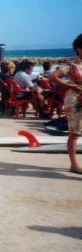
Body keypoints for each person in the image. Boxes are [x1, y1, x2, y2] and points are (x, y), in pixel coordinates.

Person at [50, 34, 82, 175]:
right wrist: (71, 86)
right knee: (75, 132)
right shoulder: (71, 64)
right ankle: (74, 164)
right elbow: (53, 77)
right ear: (78, 48)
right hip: (75, 100)